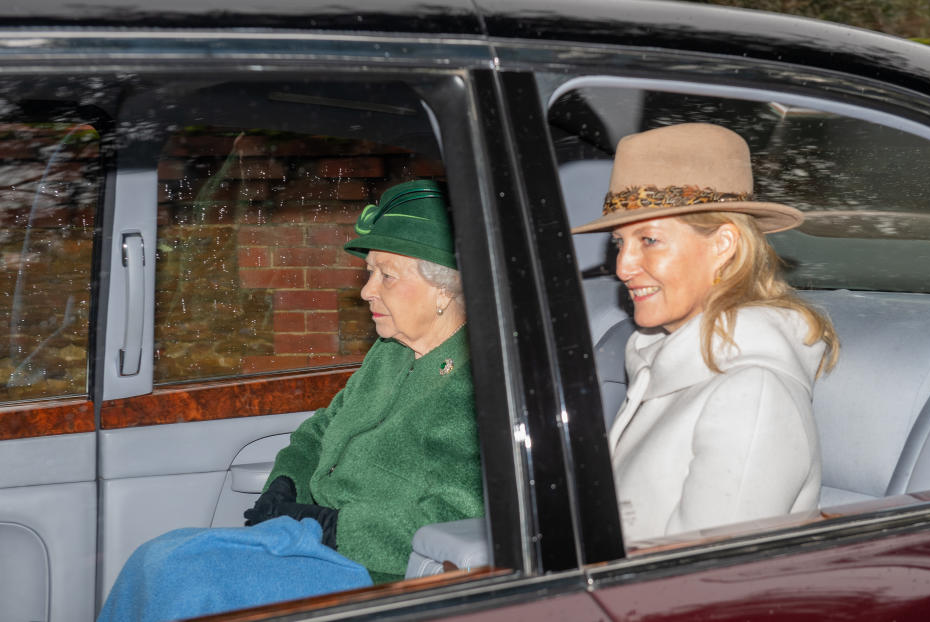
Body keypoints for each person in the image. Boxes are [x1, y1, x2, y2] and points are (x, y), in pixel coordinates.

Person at [98, 179, 483, 622]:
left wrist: (332, 526)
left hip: (376, 569)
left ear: (444, 288)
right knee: (159, 557)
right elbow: (320, 430)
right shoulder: (390, 354)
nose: (366, 291)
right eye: (369, 272)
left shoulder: (476, 382)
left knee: (187, 581)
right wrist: (287, 483)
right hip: (311, 539)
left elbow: (455, 518)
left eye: (387, 275)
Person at [572, 123, 838, 546]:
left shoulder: (752, 394)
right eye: (619, 243)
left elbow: (708, 587)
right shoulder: (658, 363)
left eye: (650, 239)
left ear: (723, 244)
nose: (622, 267)